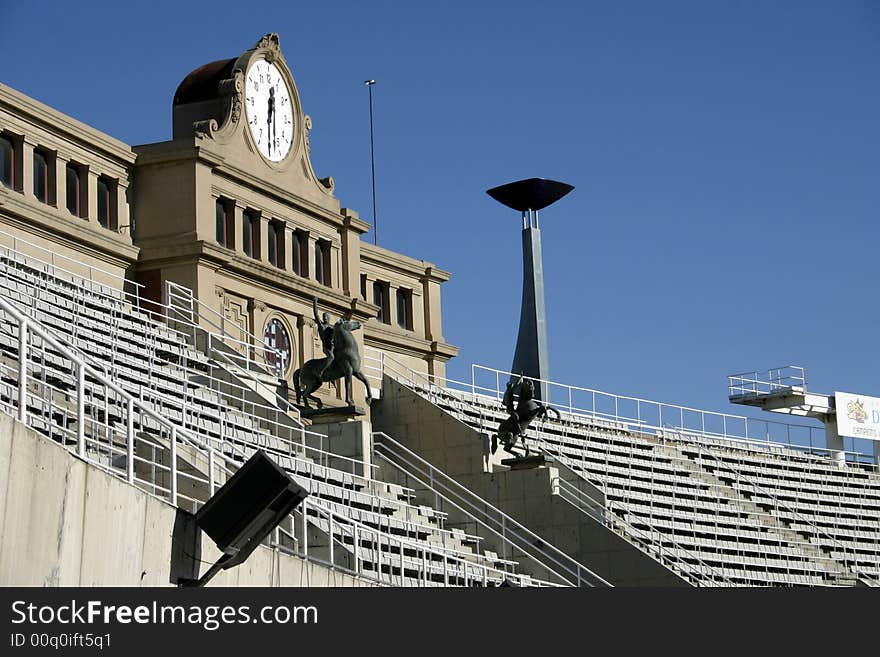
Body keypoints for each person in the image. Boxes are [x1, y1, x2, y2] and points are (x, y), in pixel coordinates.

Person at [313, 298, 334, 379]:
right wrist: (315, 302)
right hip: (326, 348)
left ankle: (332, 377)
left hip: (332, 348)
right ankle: (320, 371)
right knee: (331, 357)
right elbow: (316, 315)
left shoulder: (331, 328)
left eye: (326, 317)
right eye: (324, 316)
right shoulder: (322, 326)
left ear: (329, 318)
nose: (325, 318)